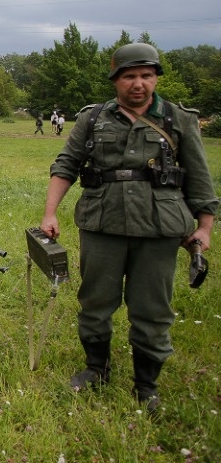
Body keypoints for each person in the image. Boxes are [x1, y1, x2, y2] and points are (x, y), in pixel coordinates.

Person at [39, 43, 217, 412]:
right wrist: (50, 213)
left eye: (146, 76)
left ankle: (146, 384)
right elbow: (66, 165)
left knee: (152, 308)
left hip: (159, 228)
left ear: (155, 78)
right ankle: (96, 368)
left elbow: (199, 178)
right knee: (95, 302)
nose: (138, 84)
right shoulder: (93, 118)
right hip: (102, 224)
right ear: (116, 79)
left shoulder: (178, 119)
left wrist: (206, 227)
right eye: (130, 76)